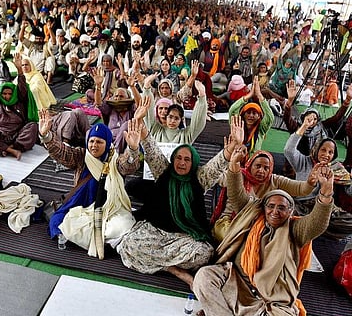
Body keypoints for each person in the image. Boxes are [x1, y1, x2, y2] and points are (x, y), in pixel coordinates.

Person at [193, 146, 334, 316]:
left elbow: (317, 223)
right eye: (271, 206)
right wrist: (234, 164)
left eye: (282, 208)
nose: (275, 212)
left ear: (290, 211)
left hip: (270, 299)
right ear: (264, 207)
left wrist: (325, 193)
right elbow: (237, 194)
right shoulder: (252, 215)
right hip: (237, 284)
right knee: (204, 277)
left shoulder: (295, 229)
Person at [117, 116, 242, 290]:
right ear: (173, 158)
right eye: (179, 158)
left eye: (187, 159)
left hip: (183, 237)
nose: (182, 163)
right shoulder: (163, 170)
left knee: (204, 254)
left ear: (193, 163)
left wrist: (232, 147)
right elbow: (151, 149)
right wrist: (140, 124)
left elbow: (217, 166)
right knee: (130, 244)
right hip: (156, 233)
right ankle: (175, 270)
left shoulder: (199, 178)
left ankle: (159, 263)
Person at [39, 110, 141, 259]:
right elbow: (62, 152)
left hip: (109, 207)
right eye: (92, 141)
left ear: (107, 143)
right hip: (80, 205)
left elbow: (128, 166)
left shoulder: (115, 161)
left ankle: (83, 238)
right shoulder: (81, 156)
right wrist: (46, 136)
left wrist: (132, 150)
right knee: (56, 221)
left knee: (122, 226)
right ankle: (97, 240)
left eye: (99, 142)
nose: (94, 145)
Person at [285, 124, 352, 240]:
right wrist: (304, 126)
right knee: (285, 218)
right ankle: (315, 227)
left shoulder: (336, 168)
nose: (326, 155)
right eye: (323, 150)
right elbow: (288, 150)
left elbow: (350, 191)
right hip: (301, 205)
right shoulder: (303, 162)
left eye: (330, 152)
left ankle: (316, 228)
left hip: (324, 206)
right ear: (316, 149)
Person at [0, 53, 39, 160]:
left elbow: (22, 87)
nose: (7, 96)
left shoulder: (19, 100)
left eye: (10, 93)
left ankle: (8, 148)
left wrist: (19, 71)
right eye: (4, 93)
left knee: (33, 126)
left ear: (14, 93)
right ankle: (12, 151)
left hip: (17, 134)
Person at [229, 76, 274, 159]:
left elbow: (270, 117)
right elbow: (232, 110)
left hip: (251, 164)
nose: (251, 116)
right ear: (243, 114)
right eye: (248, 112)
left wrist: (259, 95)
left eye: (254, 113)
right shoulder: (237, 125)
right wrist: (248, 95)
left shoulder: (261, 129)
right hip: (234, 161)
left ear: (259, 116)